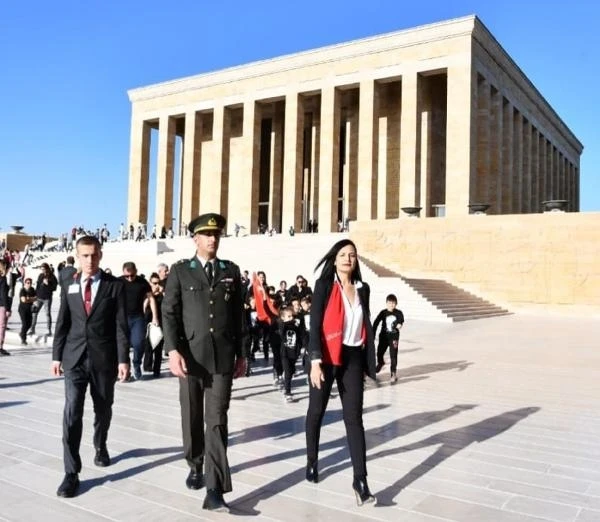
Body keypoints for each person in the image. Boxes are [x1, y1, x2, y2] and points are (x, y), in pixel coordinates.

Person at [162, 212, 247, 513]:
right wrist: (172, 351)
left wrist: (243, 353)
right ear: (195, 238)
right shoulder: (181, 271)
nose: (213, 239)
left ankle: (215, 488)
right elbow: (169, 313)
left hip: (222, 357)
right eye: (207, 234)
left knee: (217, 420)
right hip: (190, 358)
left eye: (217, 234)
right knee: (192, 416)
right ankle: (195, 462)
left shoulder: (231, 271)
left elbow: (239, 316)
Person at [51, 235, 130, 498]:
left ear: (101, 254)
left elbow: (120, 325)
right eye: (85, 255)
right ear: (77, 255)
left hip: (103, 360)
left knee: (103, 408)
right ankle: (71, 472)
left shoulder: (114, 286)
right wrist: (56, 356)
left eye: (94, 254)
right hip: (74, 359)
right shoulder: (69, 283)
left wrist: (123, 359)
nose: (90, 260)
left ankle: (100, 444)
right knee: (72, 412)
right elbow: (63, 320)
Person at [305, 238, 377, 506]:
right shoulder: (324, 285)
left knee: (354, 418)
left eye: (353, 255)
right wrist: (314, 361)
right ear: (334, 259)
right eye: (344, 254)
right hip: (325, 355)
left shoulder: (362, 288)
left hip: (352, 356)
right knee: (316, 412)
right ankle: (312, 459)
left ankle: (361, 480)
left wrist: (372, 360)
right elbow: (314, 325)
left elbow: (366, 324)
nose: (348, 258)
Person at [120, 262, 159, 380]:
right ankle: (125, 368)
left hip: (138, 318)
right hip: (122, 318)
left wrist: (155, 317)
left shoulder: (142, 282)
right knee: (123, 344)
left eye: (132, 275)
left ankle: (136, 363)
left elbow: (151, 298)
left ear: (136, 271)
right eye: (127, 276)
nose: (130, 278)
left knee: (138, 343)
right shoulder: (118, 282)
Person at [372, 294, 405, 382]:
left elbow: (400, 321)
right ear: (386, 303)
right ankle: (380, 362)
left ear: (396, 304)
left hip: (394, 337)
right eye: (390, 303)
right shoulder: (383, 313)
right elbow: (376, 322)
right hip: (383, 337)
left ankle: (393, 373)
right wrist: (373, 333)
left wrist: (399, 325)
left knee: (393, 355)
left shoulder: (399, 313)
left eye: (393, 303)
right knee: (379, 352)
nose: (391, 304)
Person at [143, 272, 164, 377]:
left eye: (158, 283)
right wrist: (151, 295)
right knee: (148, 345)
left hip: (160, 322)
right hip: (149, 322)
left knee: (159, 347)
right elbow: (143, 307)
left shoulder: (162, 294)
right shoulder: (147, 294)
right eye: (154, 283)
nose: (156, 285)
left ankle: (157, 369)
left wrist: (162, 293)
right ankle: (147, 366)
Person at [29, 262, 58, 336]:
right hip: (39, 297)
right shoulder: (40, 276)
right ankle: (32, 329)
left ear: (47, 268)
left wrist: (48, 284)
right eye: (41, 269)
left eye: (43, 269)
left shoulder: (52, 276)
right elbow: (37, 287)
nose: (42, 271)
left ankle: (48, 330)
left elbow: (54, 288)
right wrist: (35, 297)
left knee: (47, 314)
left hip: (47, 298)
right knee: (34, 313)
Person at [18, 278, 37, 345]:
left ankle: (22, 333)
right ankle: (23, 339)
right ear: (25, 283)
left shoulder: (32, 289)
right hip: (22, 309)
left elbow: (36, 298)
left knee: (29, 324)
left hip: (29, 309)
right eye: (28, 283)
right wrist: (31, 299)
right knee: (25, 323)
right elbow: (23, 300)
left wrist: (29, 299)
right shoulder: (22, 290)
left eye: (30, 283)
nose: (29, 284)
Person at [0, 260, 12, 356]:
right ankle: (0, 347)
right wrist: (7, 309)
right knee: (2, 326)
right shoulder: (2, 279)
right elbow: (4, 295)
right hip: (1, 305)